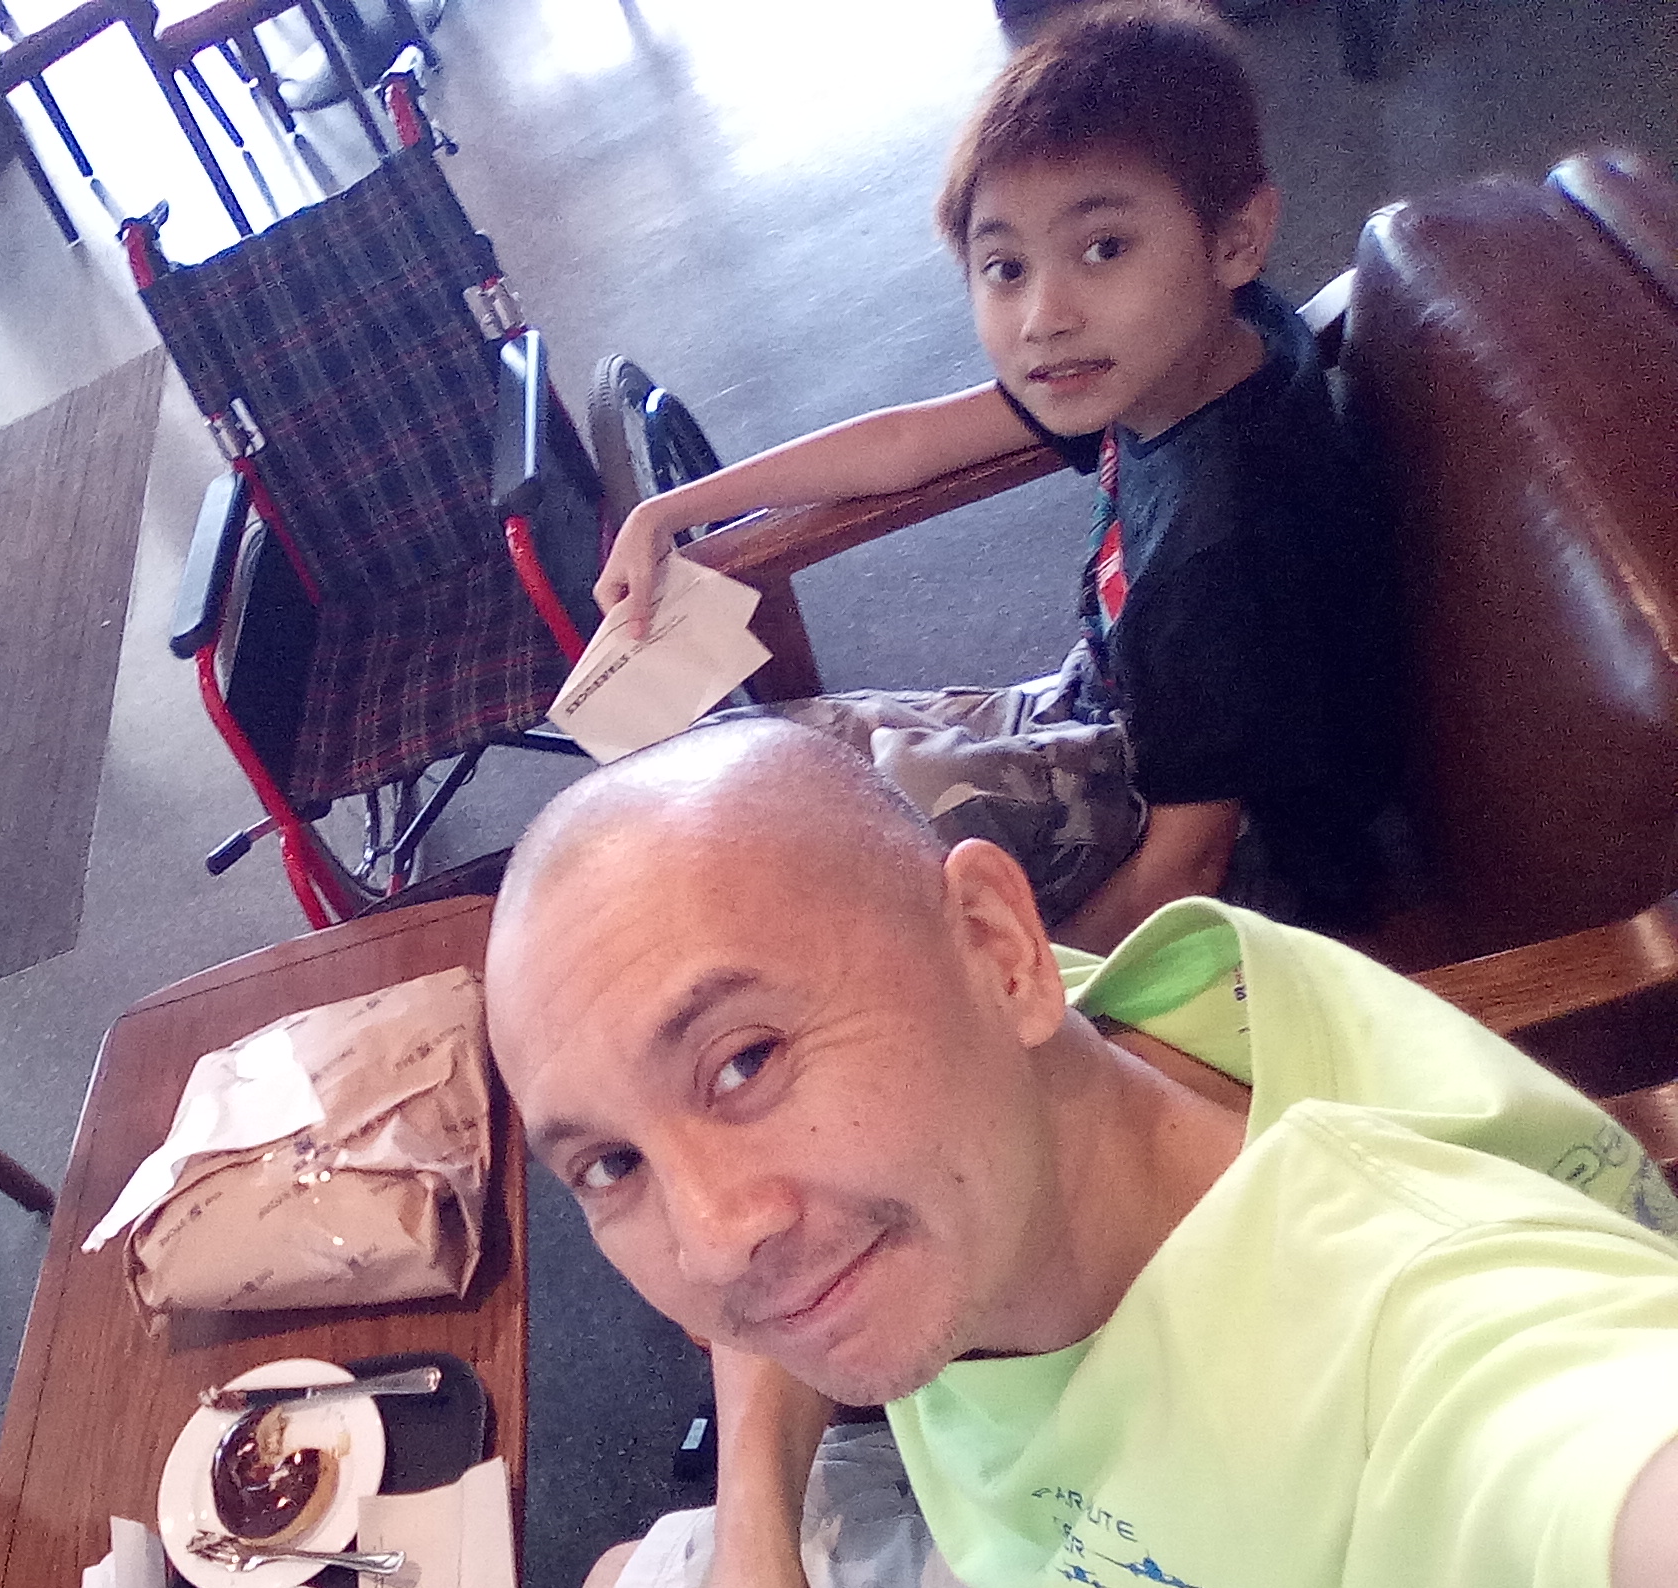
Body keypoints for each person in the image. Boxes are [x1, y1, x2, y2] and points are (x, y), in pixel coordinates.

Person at [483, 718, 1678, 1588]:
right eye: (611, 1165)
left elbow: (1594, 1466)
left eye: (745, 1062)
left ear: (999, 951)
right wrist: (758, 1542)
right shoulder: (1060, 1038)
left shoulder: (1441, 1351)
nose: (710, 1238)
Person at [593, 0, 1399, 950]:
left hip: (1260, 874)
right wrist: (670, 511)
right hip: (1117, 717)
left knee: (833, 853)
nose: (1044, 316)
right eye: (1006, 267)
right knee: (784, 758)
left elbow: (1189, 871)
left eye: (1104, 248)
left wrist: (1018, 1008)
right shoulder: (1199, 348)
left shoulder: (1217, 553)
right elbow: (907, 442)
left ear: (1234, 238)